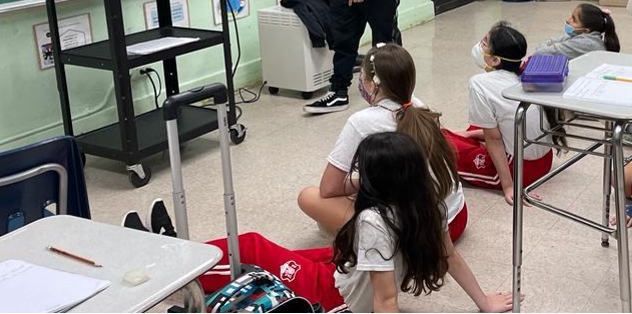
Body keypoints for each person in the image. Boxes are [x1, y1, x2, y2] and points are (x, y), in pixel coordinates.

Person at [202, 133, 514, 313]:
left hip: (333, 297)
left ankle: (180, 263)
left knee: (250, 247)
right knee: (298, 253)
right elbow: (450, 257)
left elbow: (386, 298)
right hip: (344, 268)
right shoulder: (427, 202)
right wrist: (483, 301)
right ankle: (179, 250)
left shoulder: (373, 222)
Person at [299, 43, 469, 243]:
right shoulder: (418, 107)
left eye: (361, 78)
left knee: (309, 197)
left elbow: (328, 188)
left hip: (423, 236)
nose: (360, 83)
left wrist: (371, 182)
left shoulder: (361, 121)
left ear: (372, 84)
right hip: (457, 217)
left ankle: (366, 243)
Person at [443, 21, 567, 205]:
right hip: (543, 160)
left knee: (436, 141)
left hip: (519, 169)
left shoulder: (480, 83)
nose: (479, 44)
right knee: (478, 124)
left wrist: (509, 186)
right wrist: (470, 134)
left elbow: (493, 138)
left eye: (484, 42)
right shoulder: (527, 71)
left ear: (495, 60)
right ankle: (469, 138)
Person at [532, 3, 620, 59]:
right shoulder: (585, 36)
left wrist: (548, 45)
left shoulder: (586, 43)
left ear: (586, 30)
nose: (568, 20)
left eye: (574, 20)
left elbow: (538, 54)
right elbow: (556, 41)